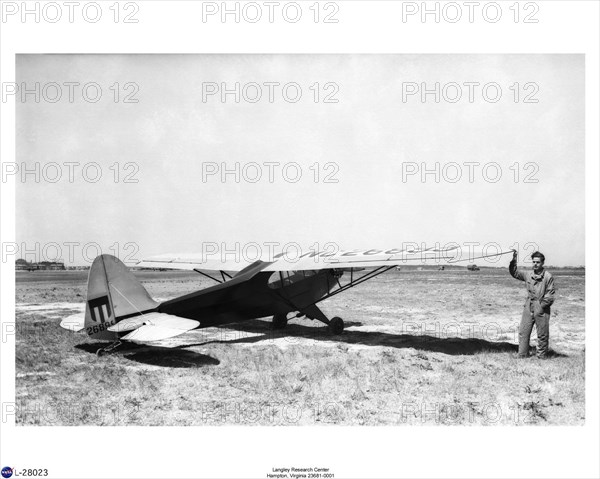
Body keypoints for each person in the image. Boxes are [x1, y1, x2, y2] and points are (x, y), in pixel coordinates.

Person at [509, 250, 556, 358]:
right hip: (528, 305)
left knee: (542, 334)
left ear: (542, 263)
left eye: (538, 262)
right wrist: (514, 260)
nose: (535, 264)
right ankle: (522, 355)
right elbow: (515, 273)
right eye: (533, 262)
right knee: (523, 331)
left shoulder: (548, 277)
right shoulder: (528, 274)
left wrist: (541, 306)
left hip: (542, 307)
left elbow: (550, 295)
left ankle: (541, 356)